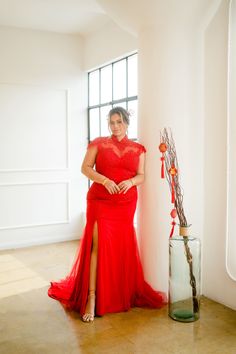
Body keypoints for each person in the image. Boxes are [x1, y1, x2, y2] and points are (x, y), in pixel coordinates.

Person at [48, 106, 166, 322]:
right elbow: (85, 168)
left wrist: (130, 182)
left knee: (120, 248)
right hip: (100, 201)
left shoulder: (139, 149)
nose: (115, 127)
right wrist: (105, 180)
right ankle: (91, 297)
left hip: (125, 203)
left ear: (127, 123)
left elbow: (142, 176)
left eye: (119, 122)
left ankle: (116, 293)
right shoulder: (98, 143)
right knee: (98, 246)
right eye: (111, 123)